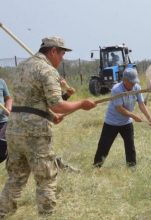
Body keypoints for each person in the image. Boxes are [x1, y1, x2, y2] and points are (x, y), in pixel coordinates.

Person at [0, 37, 96, 217]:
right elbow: (57, 104)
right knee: (46, 179)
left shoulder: (21, 67)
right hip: (34, 133)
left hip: (14, 129)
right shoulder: (47, 70)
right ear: (53, 51)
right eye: (62, 54)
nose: (62, 58)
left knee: (15, 179)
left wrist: (50, 116)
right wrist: (82, 103)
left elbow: (28, 101)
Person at [93, 68, 151, 168]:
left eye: (135, 82)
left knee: (130, 145)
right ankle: (96, 166)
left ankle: (131, 166)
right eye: (131, 82)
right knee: (104, 145)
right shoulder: (116, 89)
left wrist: (150, 119)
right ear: (125, 80)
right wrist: (134, 116)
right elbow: (120, 109)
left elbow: (141, 104)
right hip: (112, 123)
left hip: (126, 122)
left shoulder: (136, 87)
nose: (133, 84)